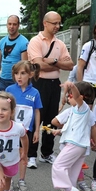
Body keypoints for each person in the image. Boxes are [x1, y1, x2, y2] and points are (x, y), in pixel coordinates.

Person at [27, 11, 74, 167]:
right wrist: (58, 61)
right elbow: (38, 66)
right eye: (54, 23)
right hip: (38, 83)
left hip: (55, 84)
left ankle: (46, 152)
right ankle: (31, 154)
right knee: (35, 118)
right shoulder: (35, 41)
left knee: (52, 119)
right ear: (45, 23)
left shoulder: (60, 44)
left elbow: (70, 65)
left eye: (59, 23)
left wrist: (52, 61)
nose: (57, 26)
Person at [50, 81, 96, 191]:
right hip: (79, 145)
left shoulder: (83, 108)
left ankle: (69, 190)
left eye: (70, 96)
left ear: (81, 97)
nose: (69, 98)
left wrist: (72, 87)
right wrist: (59, 131)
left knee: (58, 166)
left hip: (75, 144)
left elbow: (77, 96)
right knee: (71, 172)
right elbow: (74, 127)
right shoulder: (76, 111)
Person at [6, 61, 42, 191]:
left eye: (23, 73)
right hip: (12, 129)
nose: (19, 77)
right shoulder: (10, 90)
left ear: (30, 75)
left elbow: (37, 111)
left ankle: (21, 179)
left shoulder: (35, 92)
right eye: (16, 73)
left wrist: (37, 130)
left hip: (27, 130)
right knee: (10, 154)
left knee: (23, 154)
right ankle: (9, 180)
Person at [0, 15, 29, 91]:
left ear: (18, 26)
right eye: (9, 24)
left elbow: (24, 65)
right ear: (7, 25)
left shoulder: (24, 42)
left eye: (14, 24)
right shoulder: (2, 41)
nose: (11, 27)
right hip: (2, 80)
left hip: (16, 81)